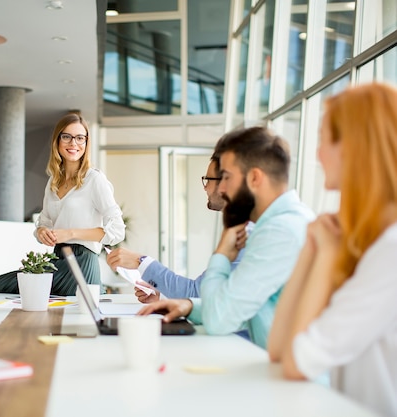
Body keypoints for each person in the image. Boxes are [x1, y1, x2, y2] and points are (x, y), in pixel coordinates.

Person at [268, 83, 397, 416]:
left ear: (354, 147)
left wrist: (325, 255)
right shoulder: (366, 239)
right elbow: (279, 349)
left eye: (324, 139)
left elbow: (298, 362)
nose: (318, 154)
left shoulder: (391, 250)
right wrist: (313, 250)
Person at [138, 126, 315, 349]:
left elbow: (218, 319)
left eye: (227, 177)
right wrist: (191, 307)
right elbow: (243, 307)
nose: (221, 188)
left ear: (254, 178)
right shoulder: (284, 223)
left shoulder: (279, 232)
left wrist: (221, 255)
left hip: (288, 377)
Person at [0, 113, 125, 296]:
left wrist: (70, 233)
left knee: (4, 287)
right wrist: (41, 231)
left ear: (86, 143)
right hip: (57, 258)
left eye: (79, 138)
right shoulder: (54, 181)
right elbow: (44, 222)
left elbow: (117, 231)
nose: (73, 143)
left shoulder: (95, 179)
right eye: (66, 136)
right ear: (57, 141)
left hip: (82, 263)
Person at [106, 151, 250, 303]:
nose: (205, 187)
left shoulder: (246, 233)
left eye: (208, 180)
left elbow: (198, 293)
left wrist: (141, 261)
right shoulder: (238, 228)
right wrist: (162, 296)